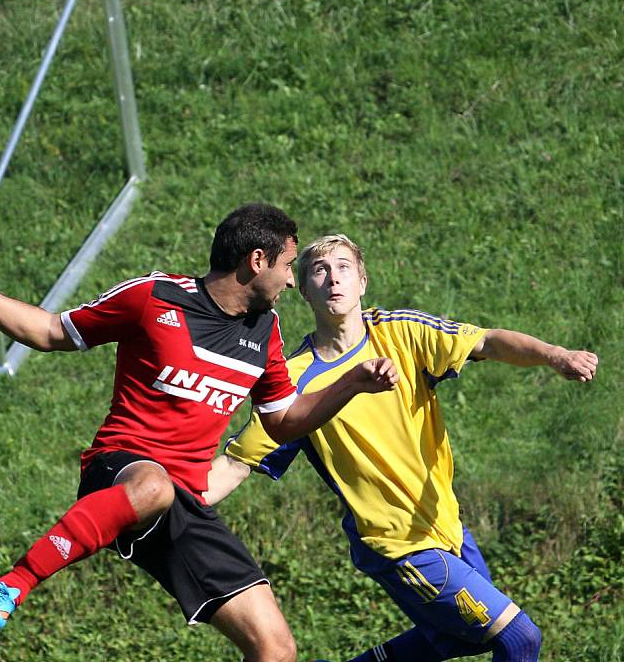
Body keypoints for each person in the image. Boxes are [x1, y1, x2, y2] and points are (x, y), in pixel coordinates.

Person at [0, 206, 399, 662]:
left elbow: (283, 421)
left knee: (275, 648)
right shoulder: (153, 297)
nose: (292, 280)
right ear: (256, 261)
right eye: (287, 266)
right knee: (153, 486)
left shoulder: (266, 331)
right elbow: (52, 330)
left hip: (183, 500)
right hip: (118, 469)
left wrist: (352, 382)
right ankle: (14, 584)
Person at [205, 234, 598, 662]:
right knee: (520, 639)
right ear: (302, 289)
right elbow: (236, 464)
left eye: (343, 268)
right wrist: (165, 505)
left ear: (362, 282)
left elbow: (485, 341)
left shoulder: (401, 333)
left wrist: (555, 355)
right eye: (319, 270)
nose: (333, 278)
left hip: (446, 526)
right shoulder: (294, 379)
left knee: (459, 639)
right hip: (394, 543)